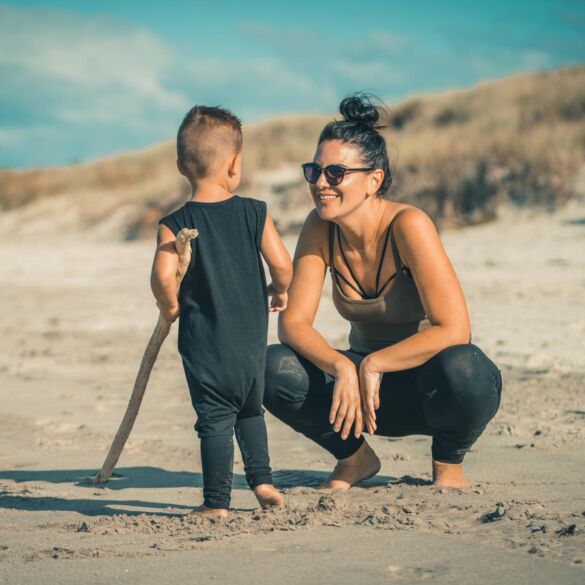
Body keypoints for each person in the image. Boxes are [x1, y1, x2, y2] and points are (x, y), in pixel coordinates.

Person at [264, 93, 502, 490]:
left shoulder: (409, 225)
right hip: (361, 398)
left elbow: (454, 329)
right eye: (315, 171)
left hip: (431, 391)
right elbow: (293, 325)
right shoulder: (320, 227)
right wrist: (344, 366)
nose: (321, 183)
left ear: (374, 180)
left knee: (467, 368)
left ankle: (447, 466)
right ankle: (355, 459)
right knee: (270, 367)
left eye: (336, 173)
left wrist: (374, 365)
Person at [151, 105, 292, 516]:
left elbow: (162, 278)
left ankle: (216, 503)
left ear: (181, 166)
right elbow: (283, 264)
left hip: (206, 345)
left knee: (214, 420)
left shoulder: (175, 222)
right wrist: (277, 289)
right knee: (250, 410)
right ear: (235, 164)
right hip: (250, 342)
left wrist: (171, 305)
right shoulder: (255, 211)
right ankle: (263, 482)